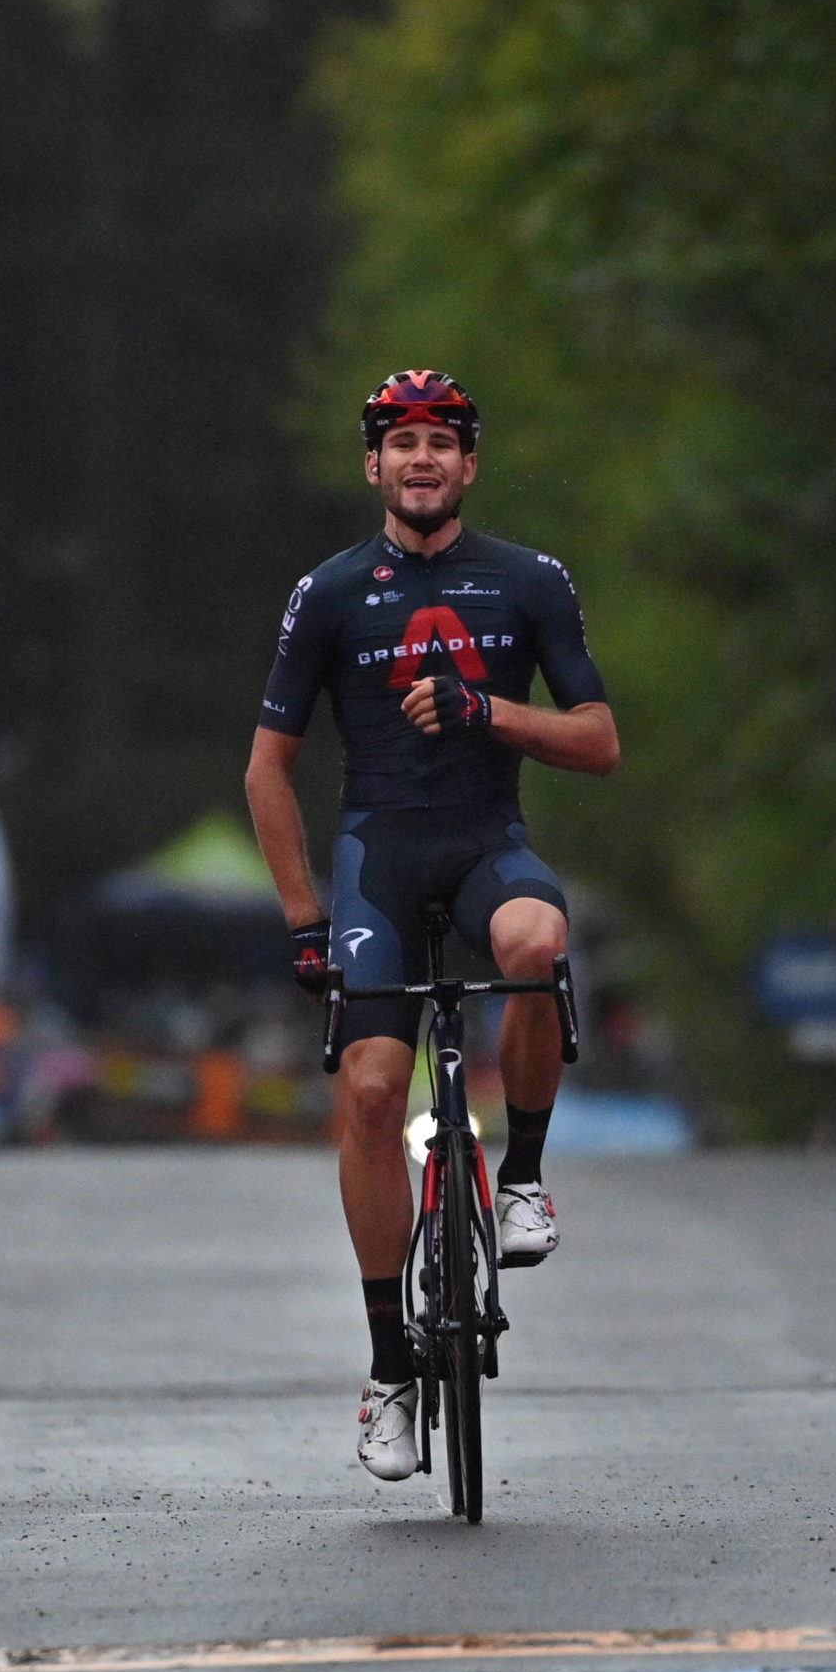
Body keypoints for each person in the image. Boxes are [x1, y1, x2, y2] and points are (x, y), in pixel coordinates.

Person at [244, 370, 620, 1484]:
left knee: (537, 947)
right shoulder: (328, 593)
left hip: (483, 847)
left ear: (469, 466)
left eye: (441, 444)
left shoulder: (528, 582)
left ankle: (521, 1181)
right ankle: (389, 1371)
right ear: (373, 466)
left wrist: (483, 709)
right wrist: (305, 918)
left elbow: (598, 742)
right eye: (400, 443)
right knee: (367, 1092)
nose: (421, 461)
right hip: (375, 863)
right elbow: (270, 771)